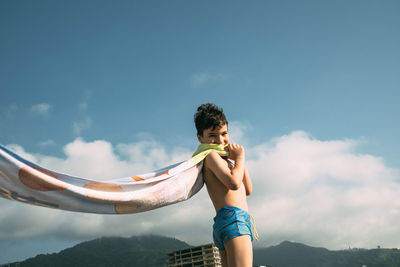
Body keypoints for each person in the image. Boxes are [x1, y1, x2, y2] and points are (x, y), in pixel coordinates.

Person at [194, 103, 254, 267]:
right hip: (234, 220)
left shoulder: (226, 161)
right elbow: (234, 184)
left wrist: (236, 160)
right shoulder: (211, 156)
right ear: (200, 137)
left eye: (224, 133)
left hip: (226, 223)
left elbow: (247, 190)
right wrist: (241, 157)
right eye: (212, 135)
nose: (220, 140)